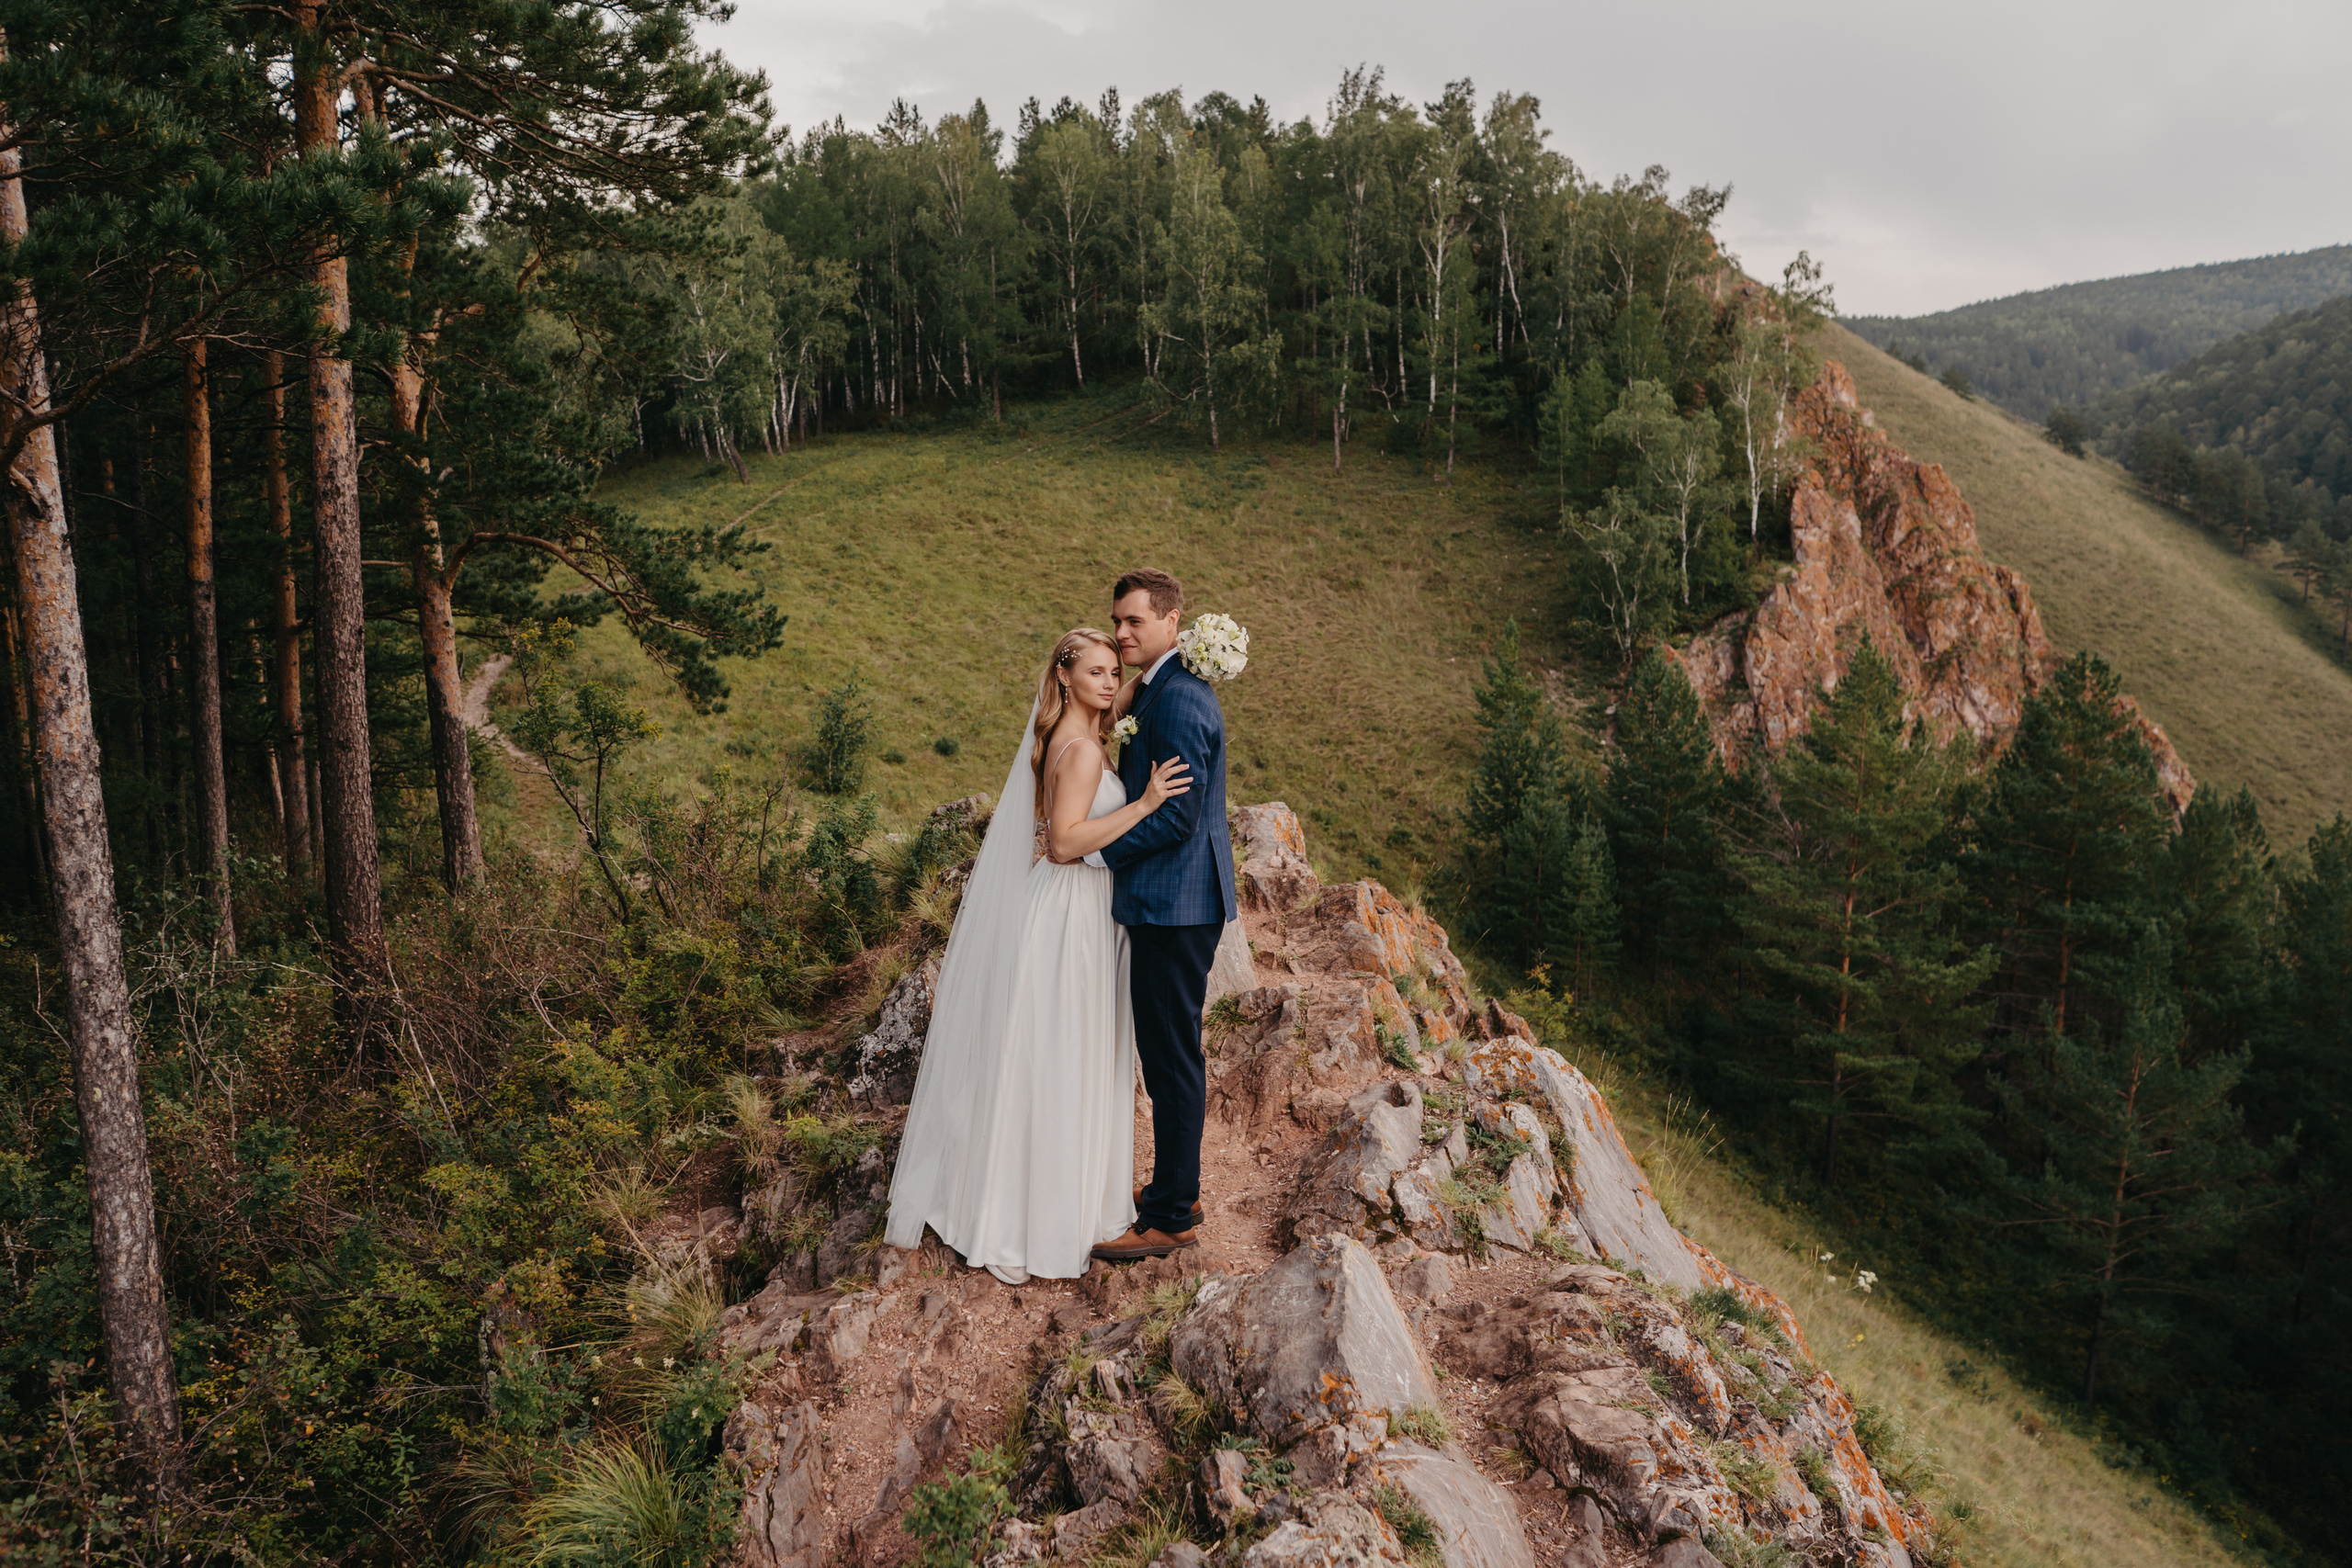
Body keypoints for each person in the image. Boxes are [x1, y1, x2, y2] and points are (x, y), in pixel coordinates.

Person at [882, 627, 1192, 1283]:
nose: (1112, 683)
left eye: (1116, 672)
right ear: (1066, 678)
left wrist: (1181, 647)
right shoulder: (1079, 751)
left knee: (1051, 1052)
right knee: (1062, 1053)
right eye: (1099, 673)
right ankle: (1044, 1217)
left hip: (1070, 907)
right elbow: (1063, 843)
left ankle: (1035, 1199)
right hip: (1072, 907)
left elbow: (1139, 684)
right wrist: (1144, 804)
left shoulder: (1071, 735)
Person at [1089, 569, 1238, 1263]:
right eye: (1117, 621)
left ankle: (1173, 1213)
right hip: (1177, 902)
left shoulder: (1176, 699)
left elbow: (1176, 814)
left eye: (1135, 622)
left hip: (1175, 907)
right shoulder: (1161, 688)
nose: (1122, 633)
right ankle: (1179, 1186)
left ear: (1173, 623)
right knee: (1172, 1051)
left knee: (1171, 1057)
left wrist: (1101, 851)